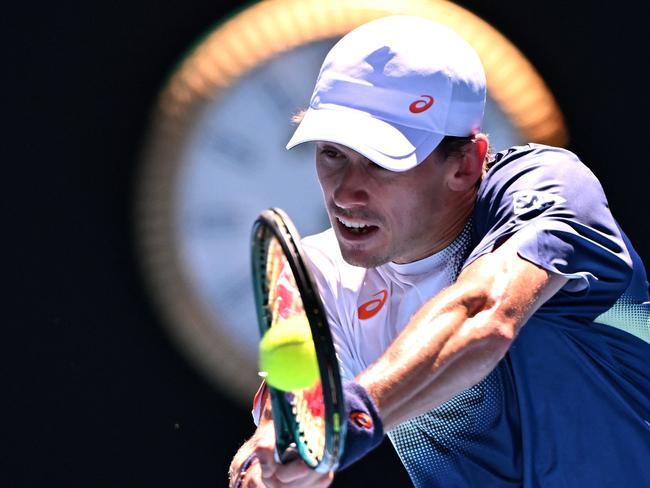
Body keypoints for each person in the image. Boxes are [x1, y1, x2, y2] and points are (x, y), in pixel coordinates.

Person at [229, 15, 650, 487]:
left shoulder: (552, 190)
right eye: (332, 153)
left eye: (382, 163)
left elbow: (485, 316)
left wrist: (354, 417)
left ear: (467, 164)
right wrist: (276, 461)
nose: (346, 193)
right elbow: (295, 419)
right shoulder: (322, 273)